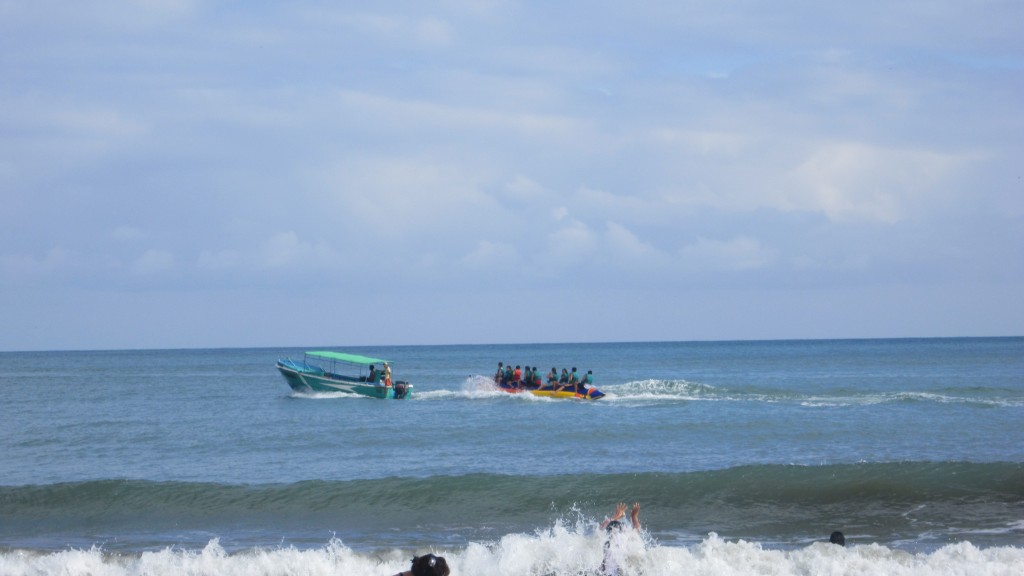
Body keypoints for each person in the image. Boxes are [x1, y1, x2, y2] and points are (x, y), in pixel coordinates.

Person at [599, 502, 641, 576]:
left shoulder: (607, 543)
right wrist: (634, 516)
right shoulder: (625, 537)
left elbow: (601, 528)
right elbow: (637, 530)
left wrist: (616, 516)